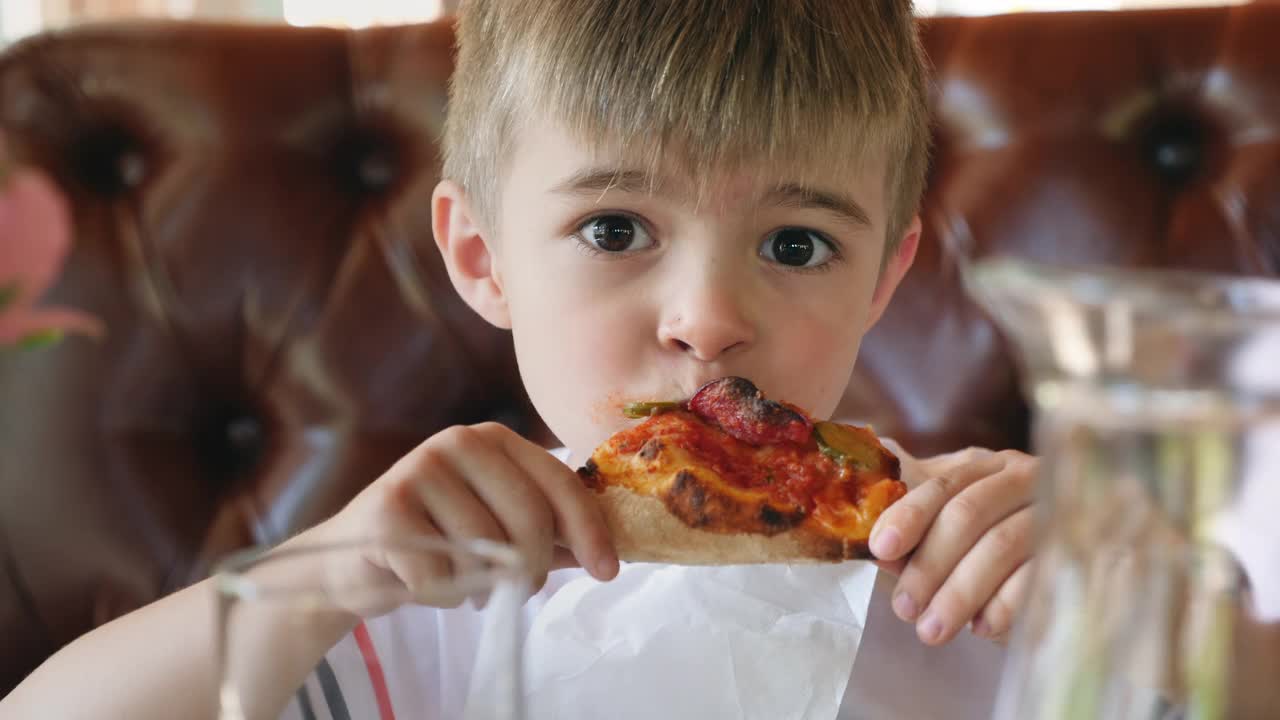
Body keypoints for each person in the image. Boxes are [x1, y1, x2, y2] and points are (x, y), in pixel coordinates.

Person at [0, 2, 1041, 718]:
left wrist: (1140, 603)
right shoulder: (423, 590)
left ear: (881, 277)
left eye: (794, 245)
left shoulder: (984, 579)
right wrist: (318, 579)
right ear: (480, 256)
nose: (706, 318)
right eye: (613, 229)